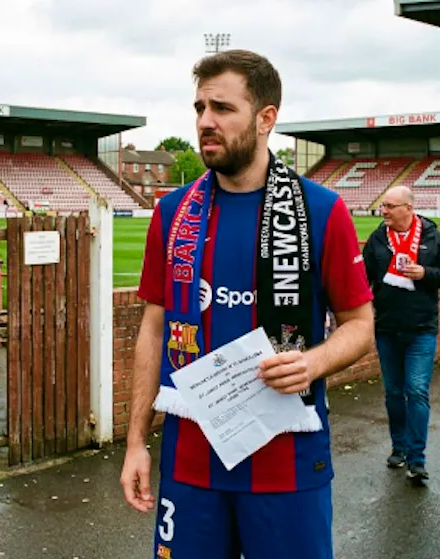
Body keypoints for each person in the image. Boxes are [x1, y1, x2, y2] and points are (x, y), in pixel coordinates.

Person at [118, 49, 375, 559]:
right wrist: (135, 443)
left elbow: (360, 323)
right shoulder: (172, 213)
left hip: (289, 465)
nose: (205, 122)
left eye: (222, 108)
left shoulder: (322, 211)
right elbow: (153, 328)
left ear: (266, 119)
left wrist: (313, 361)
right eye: (198, 108)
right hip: (190, 466)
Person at [362, 185, 440, 482]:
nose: (384, 211)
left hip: (421, 329)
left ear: (408, 208)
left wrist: (425, 274)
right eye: (383, 206)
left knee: (416, 390)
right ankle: (399, 448)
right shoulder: (378, 239)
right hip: (387, 327)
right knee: (393, 392)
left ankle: (417, 459)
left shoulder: (431, 236)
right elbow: (363, 278)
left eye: (390, 206)